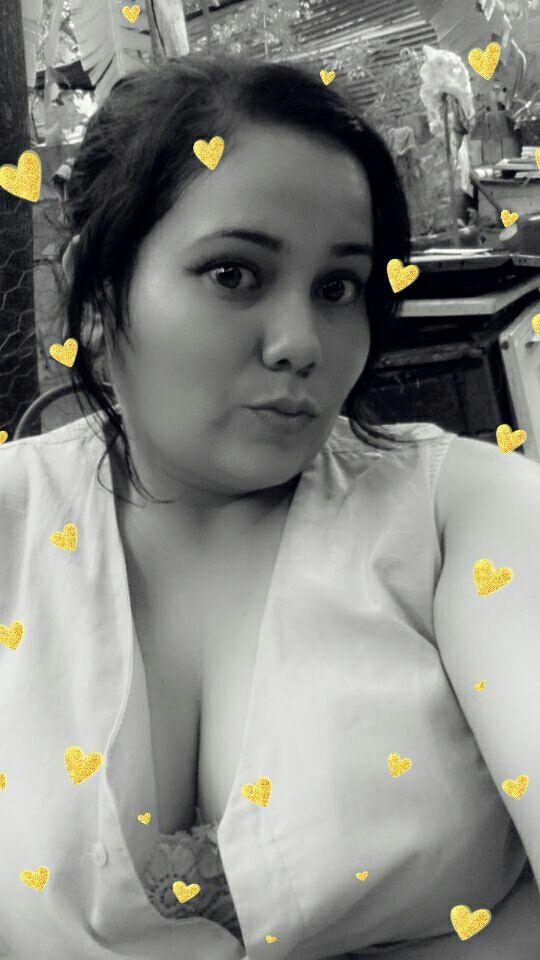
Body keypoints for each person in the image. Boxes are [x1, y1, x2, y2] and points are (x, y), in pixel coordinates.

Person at [1, 53, 539, 960]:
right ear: (98, 292)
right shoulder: (12, 525)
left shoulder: (465, 515)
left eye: (338, 289)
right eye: (234, 274)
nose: (302, 343)